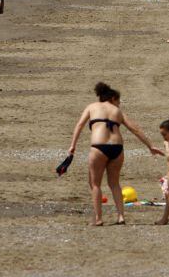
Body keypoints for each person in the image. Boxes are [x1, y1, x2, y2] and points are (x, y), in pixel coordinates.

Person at [66, 82, 163, 226]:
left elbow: (79, 125)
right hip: (117, 148)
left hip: (99, 148)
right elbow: (135, 129)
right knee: (115, 184)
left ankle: (98, 218)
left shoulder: (92, 107)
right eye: (118, 101)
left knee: (95, 184)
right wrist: (150, 146)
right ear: (112, 98)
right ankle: (120, 216)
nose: (119, 104)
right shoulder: (118, 112)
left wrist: (73, 145)